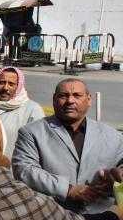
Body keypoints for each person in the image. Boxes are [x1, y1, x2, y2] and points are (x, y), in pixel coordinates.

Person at [13, 78, 123, 213]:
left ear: (89, 100)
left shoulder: (112, 135)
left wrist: (117, 175)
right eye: (63, 96)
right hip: (53, 218)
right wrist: (68, 189)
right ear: (54, 99)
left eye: (77, 95)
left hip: (101, 219)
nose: (70, 100)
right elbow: (24, 170)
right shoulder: (32, 132)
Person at [0, 66, 45, 157]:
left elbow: (39, 146)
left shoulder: (32, 110)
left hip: (11, 168)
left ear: (18, 86)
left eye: (11, 84)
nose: (5, 88)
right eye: (2, 82)